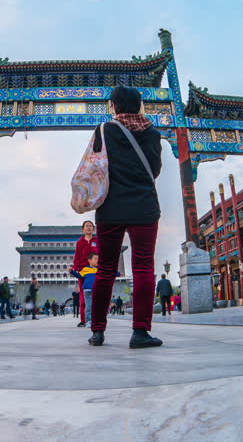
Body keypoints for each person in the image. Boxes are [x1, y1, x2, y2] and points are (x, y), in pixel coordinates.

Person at [87, 86, 163, 349]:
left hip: (110, 208)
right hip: (144, 206)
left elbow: (95, 167)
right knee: (143, 267)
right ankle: (140, 332)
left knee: (106, 269)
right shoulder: (153, 132)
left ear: (114, 106)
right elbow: (154, 169)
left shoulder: (103, 130)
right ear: (139, 106)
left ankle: (97, 331)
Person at [71, 220, 99, 328]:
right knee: (83, 297)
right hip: (84, 272)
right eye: (86, 226)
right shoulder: (80, 242)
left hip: (95, 271)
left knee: (96, 296)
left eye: (90, 226)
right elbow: (77, 257)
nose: (88, 228)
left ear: (93, 229)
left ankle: (96, 319)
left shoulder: (97, 241)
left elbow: (100, 255)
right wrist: (74, 269)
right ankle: (84, 320)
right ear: (83, 229)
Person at [75, 253, 99, 328]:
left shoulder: (99, 269)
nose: (97, 260)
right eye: (95, 259)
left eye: (98, 259)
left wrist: (117, 274)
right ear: (89, 260)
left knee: (96, 306)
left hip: (96, 290)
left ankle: (96, 321)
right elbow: (79, 275)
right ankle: (88, 321)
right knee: (88, 306)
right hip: (87, 291)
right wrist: (72, 272)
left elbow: (108, 273)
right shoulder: (85, 269)